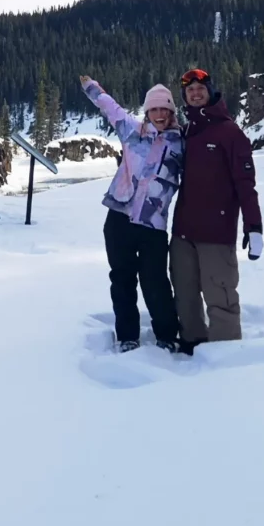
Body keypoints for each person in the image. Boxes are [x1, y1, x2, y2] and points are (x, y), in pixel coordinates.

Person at [80, 75, 183, 353]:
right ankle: (127, 336)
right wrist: (92, 88)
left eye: (164, 109)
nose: (159, 115)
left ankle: (166, 335)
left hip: (154, 226)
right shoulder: (132, 131)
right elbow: (110, 108)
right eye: (154, 109)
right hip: (119, 220)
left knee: (156, 282)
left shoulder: (181, 144)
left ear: (172, 112)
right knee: (122, 279)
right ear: (147, 111)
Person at [171, 68, 263, 353]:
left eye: (200, 88)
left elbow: (245, 184)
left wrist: (254, 227)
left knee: (219, 294)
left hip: (216, 232)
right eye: (189, 91)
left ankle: (225, 354)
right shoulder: (186, 132)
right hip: (183, 231)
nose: (195, 93)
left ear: (210, 91)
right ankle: (192, 342)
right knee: (184, 293)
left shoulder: (229, 132)